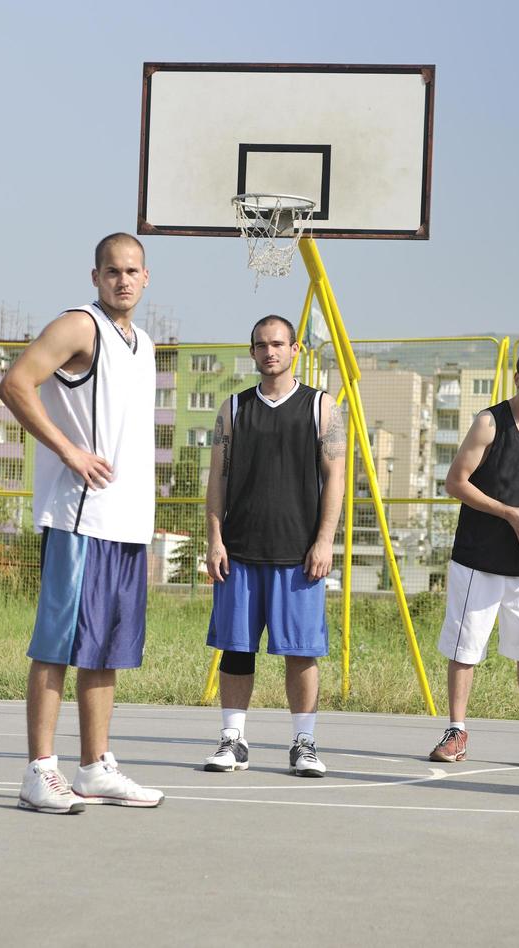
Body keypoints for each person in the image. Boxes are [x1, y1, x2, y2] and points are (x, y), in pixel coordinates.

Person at [0, 233, 163, 814]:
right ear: (95, 276)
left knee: (106, 649)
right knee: (59, 645)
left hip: (126, 522)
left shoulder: (142, 342)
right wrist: (70, 451)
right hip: (80, 516)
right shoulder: (78, 326)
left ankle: (94, 767)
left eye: (132, 270)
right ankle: (40, 771)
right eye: (112, 270)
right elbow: (15, 384)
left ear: (146, 279)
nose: (122, 279)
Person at [201, 315, 347, 777]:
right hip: (241, 548)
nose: (270, 352)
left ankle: (304, 743)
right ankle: (233, 740)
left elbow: (337, 478)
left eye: (278, 344)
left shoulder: (322, 407)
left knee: (301, 652)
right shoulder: (234, 409)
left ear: (295, 349)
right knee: (236, 648)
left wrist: (325, 540)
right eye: (262, 345)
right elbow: (217, 478)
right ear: (252, 353)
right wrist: (214, 537)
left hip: (299, 553)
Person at [428, 346, 519, 767]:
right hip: (478, 559)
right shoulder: (490, 422)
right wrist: (510, 514)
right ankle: (456, 731)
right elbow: (455, 482)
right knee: (466, 648)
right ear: (517, 378)